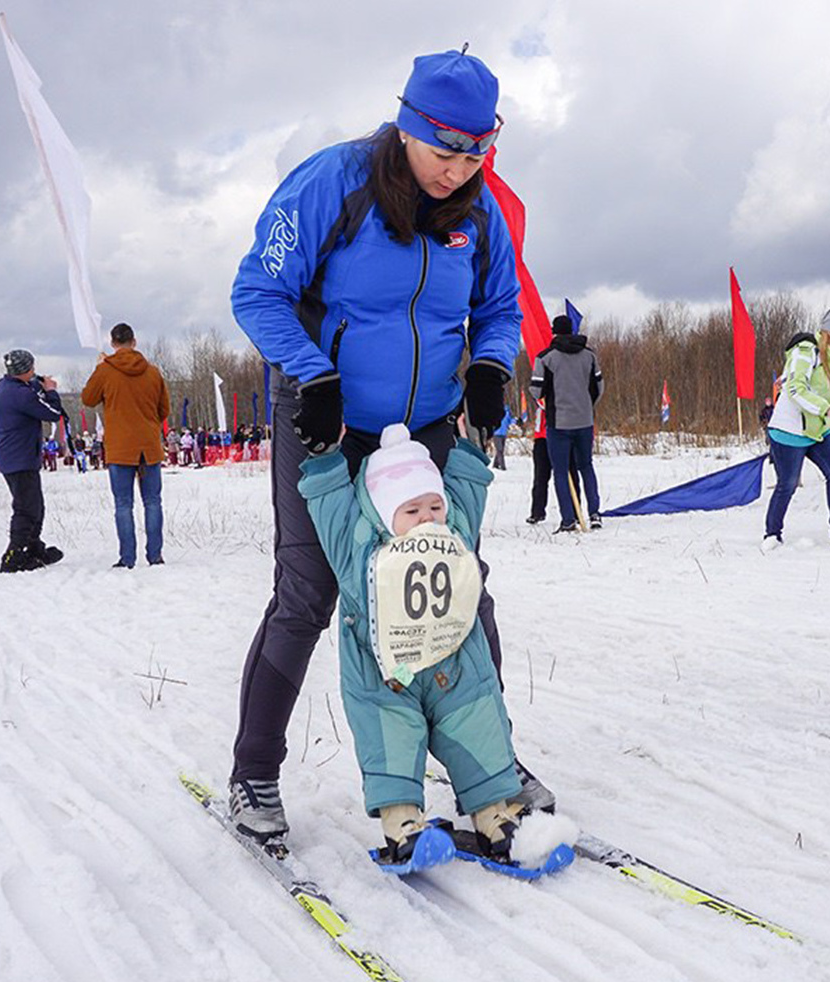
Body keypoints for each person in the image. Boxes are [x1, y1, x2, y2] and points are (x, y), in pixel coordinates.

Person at [225, 47, 552, 841]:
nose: (459, 169)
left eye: (477, 152)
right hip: (329, 424)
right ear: (409, 127)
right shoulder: (329, 184)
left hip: (430, 425)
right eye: (447, 151)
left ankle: (487, 765)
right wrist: (311, 373)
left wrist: (486, 364)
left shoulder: (478, 213)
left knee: (459, 587)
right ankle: (253, 775)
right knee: (308, 599)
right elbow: (256, 291)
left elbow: (502, 306)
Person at [301, 423, 530, 864]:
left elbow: (467, 488)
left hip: (455, 663)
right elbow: (328, 503)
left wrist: (470, 444)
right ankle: (402, 823)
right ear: (385, 513)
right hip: (385, 673)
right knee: (391, 740)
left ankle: (493, 815)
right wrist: (326, 458)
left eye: (433, 505)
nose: (427, 518)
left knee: (478, 727)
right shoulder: (357, 543)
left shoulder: (455, 528)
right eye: (411, 510)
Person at [763, 308, 830, 551]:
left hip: (817, 431)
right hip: (789, 431)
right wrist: (827, 410)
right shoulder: (804, 353)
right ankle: (772, 534)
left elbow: (824, 395)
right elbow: (796, 390)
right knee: (787, 484)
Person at [83, 322, 172, 569]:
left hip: (120, 448)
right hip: (149, 446)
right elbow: (164, 409)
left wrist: (99, 368)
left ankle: (127, 558)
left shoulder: (105, 371)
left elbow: (88, 399)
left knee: (123, 505)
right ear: (134, 342)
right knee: (153, 502)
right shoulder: (153, 372)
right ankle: (155, 556)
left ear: (113, 344)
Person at [0, 348, 67, 572]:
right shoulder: (21, 395)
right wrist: (51, 391)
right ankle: (13, 555)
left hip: (14, 455)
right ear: (23, 371)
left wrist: (36, 383)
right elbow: (53, 412)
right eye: (31, 368)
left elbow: (28, 392)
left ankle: (34, 547)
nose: (35, 371)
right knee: (26, 509)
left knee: (36, 506)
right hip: (19, 457)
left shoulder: (5, 386)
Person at [529, 314, 605, 532]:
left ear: (554, 332)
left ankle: (568, 520)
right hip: (584, 421)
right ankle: (594, 513)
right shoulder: (590, 355)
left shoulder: (545, 358)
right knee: (586, 466)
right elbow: (599, 387)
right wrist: (587, 407)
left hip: (558, 423)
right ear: (572, 330)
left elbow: (536, 390)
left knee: (561, 472)